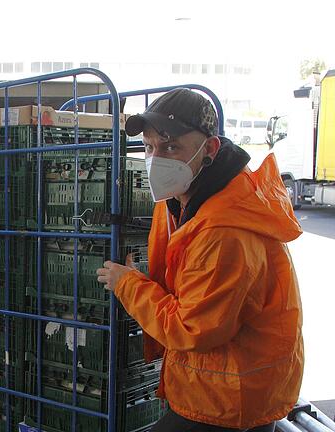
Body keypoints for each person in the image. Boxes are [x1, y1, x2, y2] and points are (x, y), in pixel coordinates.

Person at [96, 88, 304, 432]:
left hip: (230, 398)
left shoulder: (225, 230)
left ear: (209, 149)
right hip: (218, 384)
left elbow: (191, 327)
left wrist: (128, 284)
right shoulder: (185, 198)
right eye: (149, 147)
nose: (155, 159)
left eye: (171, 146)